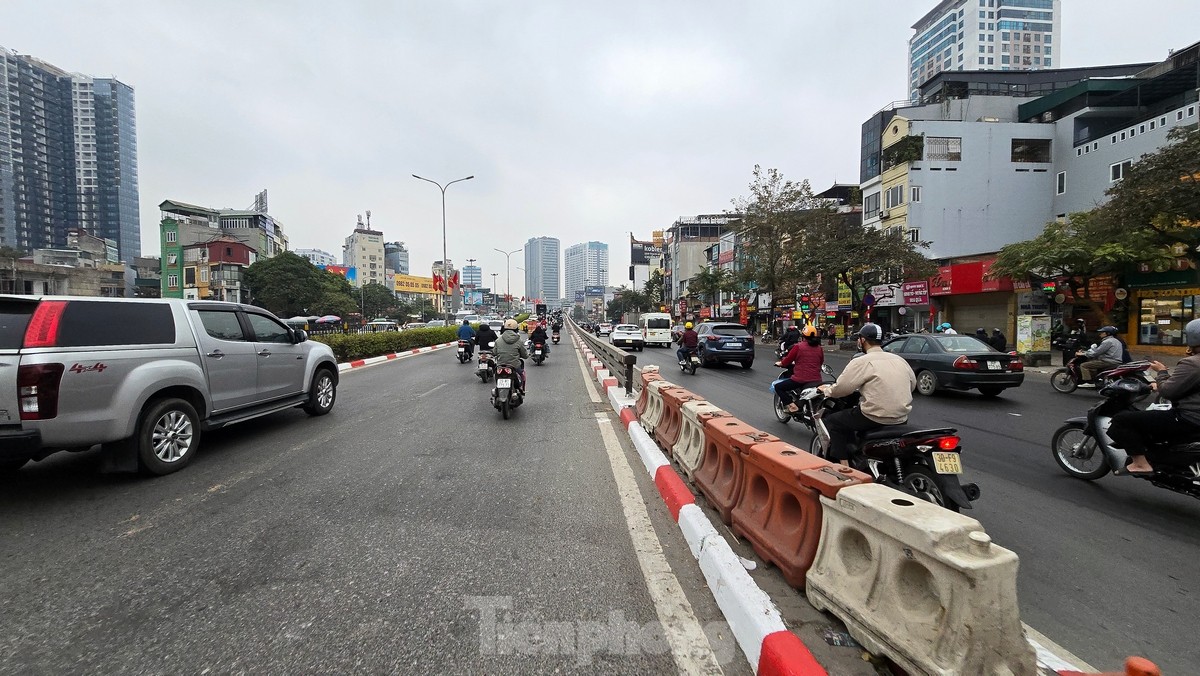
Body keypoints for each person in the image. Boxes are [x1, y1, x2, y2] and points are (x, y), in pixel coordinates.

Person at [1108, 319, 1200, 475]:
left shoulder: (1192, 363)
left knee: (1121, 420)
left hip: (1190, 418)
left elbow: (1168, 392)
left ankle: (1140, 464)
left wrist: (1162, 372)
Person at [818, 323, 917, 465]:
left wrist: (827, 390)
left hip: (873, 417)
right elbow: (911, 385)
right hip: (901, 417)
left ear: (863, 340)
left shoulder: (861, 361)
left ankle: (844, 466)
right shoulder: (899, 360)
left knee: (833, 421)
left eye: (859, 339)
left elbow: (842, 389)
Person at [774, 325, 825, 412]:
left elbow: (787, 361)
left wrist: (780, 363)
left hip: (800, 379)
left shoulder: (798, 347)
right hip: (817, 380)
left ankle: (792, 406)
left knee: (778, 387)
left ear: (803, 336)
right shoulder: (819, 348)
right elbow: (821, 362)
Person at [493, 319, 529, 390]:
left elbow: (494, 352)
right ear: (516, 328)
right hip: (514, 366)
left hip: (500, 365)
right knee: (522, 374)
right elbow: (525, 355)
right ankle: (521, 389)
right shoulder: (519, 340)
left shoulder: (498, 340)